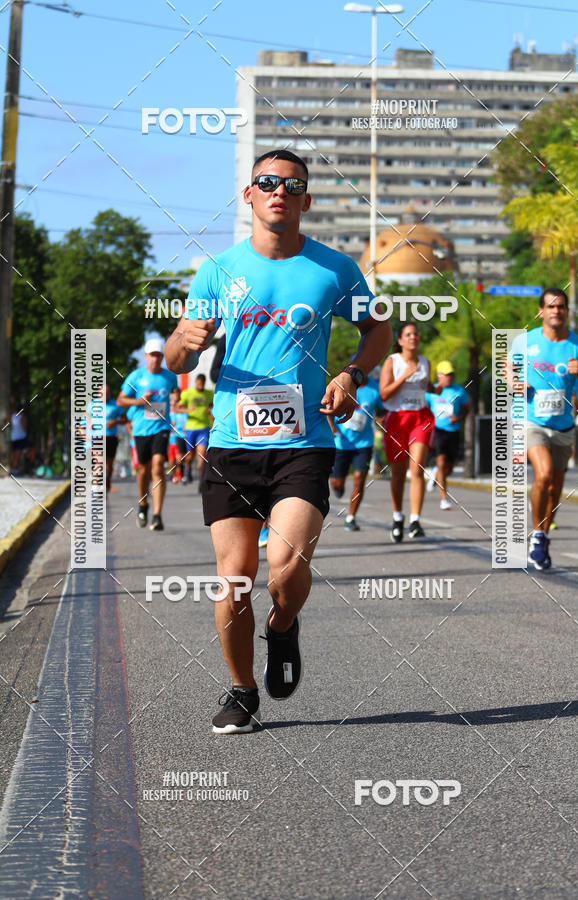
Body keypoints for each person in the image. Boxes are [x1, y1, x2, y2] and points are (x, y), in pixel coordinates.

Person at [165, 148, 391, 734]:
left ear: (306, 200)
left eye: (292, 185)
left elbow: (378, 331)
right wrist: (185, 341)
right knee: (236, 578)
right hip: (232, 442)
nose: (279, 192)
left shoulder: (334, 269)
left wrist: (351, 375)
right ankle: (242, 691)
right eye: (267, 182)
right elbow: (175, 358)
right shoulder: (217, 271)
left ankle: (283, 626)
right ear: (249, 194)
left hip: (304, 439)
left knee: (285, 569)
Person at [509, 288, 578, 571]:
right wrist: (514, 383)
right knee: (544, 474)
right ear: (541, 312)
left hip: (563, 425)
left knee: (555, 487)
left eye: (561, 307)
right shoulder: (525, 341)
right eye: (550, 306)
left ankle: (543, 535)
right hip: (531, 420)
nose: (556, 311)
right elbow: (508, 368)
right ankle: (537, 534)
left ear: (566, 311)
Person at [379, 322, 434, 542]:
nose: (413, 337)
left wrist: (436, 387)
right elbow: (384, 394)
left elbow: (426, 387)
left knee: (417, 467)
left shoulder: (425, 362)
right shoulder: (392, 362)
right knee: (399, 472)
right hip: (398, 419)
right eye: (408, 334)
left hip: (421, 418)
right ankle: (398, 517)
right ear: (400, 340)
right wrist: (405, 376)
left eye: (416, 334)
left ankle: (415, 520)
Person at [117, 338, 178, 531]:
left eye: (159, 355)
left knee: (158, 466)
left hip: (161, 427)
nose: (155, 359)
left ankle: (157, 515)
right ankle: (143, 504)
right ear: (146, 356)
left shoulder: (170, 377)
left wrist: (176, 398)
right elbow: (120, 400)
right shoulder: (136, 377)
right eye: (152, 355)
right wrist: (139, 401)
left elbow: (175, 393)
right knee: (143, 470)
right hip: (141, 429)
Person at [329, 375, 382, 531]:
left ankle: (351, 517)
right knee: (336, 482)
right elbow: (326, 408)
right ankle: (338, 487)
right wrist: (332, 427)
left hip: (364, 443)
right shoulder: (342, 384)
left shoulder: (375, 388)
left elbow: (382, 409)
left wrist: (381, 419)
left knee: (359, 479)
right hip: (341, 442)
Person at [425, 361, 470, 511]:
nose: (449, 377)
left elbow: (467, 408)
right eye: (446, 374)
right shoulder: (431, 392)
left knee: (448, 468)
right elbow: (423, 408)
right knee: (442, 462)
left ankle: (436, 473)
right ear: (439, 375)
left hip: (454, 432)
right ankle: (444, 499)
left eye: (451, 374)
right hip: (438, 430)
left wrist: (460, 417)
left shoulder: (459, 391)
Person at [176, 373, 213, 491]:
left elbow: (213, 406)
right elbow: (177, 408)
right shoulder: (187, 393)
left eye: (202, 383)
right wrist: (188, 410)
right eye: (199, 383)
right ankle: (188, 469)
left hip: (204, 428)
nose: (200, 385)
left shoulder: (209, 394)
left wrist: (211, 409)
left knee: (202, 456)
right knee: (190, 456)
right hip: (191, 429)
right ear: (196, 382)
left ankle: (202, 482)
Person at [93, 384, 126, 492]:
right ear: (99, 393)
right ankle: (96, 484)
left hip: (111, 437)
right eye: (103, 393)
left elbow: (125, 420)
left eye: (107, 393)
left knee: (109, 465)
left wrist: (115, 421)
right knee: (99, 462)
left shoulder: (116, 404)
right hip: (97, 437)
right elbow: (86, 418)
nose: (105, 395)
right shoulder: (92, 405)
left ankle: (107, 481)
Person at [168, 387, 188, 483]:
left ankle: (181, 474)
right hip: (171, 439)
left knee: (180, 457)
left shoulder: (183, 412)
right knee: (172, 460)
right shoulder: (169, 412)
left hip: (180, 437)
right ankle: (174, 475)